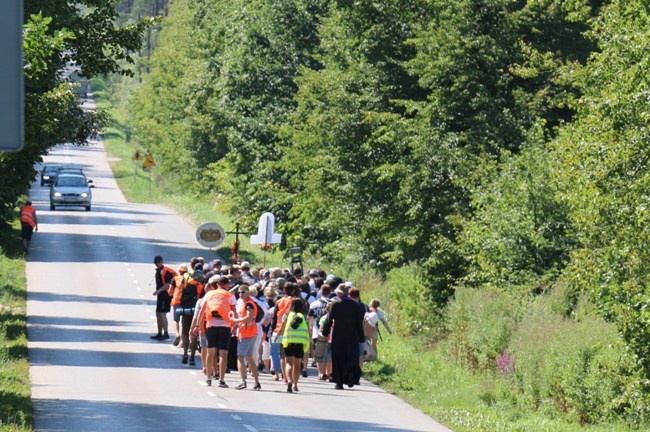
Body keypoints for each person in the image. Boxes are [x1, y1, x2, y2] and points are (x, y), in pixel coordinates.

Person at [193, 275, 236, 387]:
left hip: (211, 326)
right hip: (225, 327)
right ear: (227, 285)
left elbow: (202, 311)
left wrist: (197, 325)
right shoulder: (230, 295)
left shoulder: (209, 294)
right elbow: (234, 312)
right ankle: (221, 380)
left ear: (217, 285)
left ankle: (208, 378)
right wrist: (235, 326)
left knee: (210, 352)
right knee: (223, 353)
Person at [321, 285, 365, 390]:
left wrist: (325, 331)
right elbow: (359, 322)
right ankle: (349, 375)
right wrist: (361, 336)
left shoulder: (335, 304)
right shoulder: (355, 305)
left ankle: (339, 382)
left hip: (338, 334)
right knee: (350, 356)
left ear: (340, 293)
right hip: (352, 334)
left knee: (338, 357)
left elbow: (329, 319)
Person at [230, 285, 262, 390]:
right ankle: (257, 382)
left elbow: (249, 317)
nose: (240, 294)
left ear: (248, 292)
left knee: (240, 357)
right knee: (249, 357)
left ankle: (242, 381)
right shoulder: (246, 303)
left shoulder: (249, 304)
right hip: (250, 332)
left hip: (247, 333)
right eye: (239, 292)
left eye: (243, 292)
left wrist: (236, 321)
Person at [280, 298, 310, 392]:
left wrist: (278, 336)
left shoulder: (287, 314)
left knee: (288, 363)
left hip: (289, 341)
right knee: (297, 365)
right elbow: (307, 327)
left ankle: (289, 380)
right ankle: (295, 385)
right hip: (300, 342)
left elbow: (282, 327)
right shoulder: (303, 316)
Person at [151, 256, 177, 340]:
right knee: (158, 313)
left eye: (158, 262)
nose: (157, 264)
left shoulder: (166, 271)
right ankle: (159, 333)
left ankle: (166, 333)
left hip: (166, 295)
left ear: (162, 261)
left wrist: (158, 291)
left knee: (162, 313)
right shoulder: (158, 271)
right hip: (161, 295)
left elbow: (167, 285)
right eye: (156, 262)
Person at [169, 263, 189, 346]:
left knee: (176, 320)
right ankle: (184, 341)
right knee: (185, 322)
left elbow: (170, 291)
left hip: (177, 301)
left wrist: (172, 294)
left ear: (179, 271)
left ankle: (177, 334)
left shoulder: (175, 279)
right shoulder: (189, 279)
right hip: (186, 303)